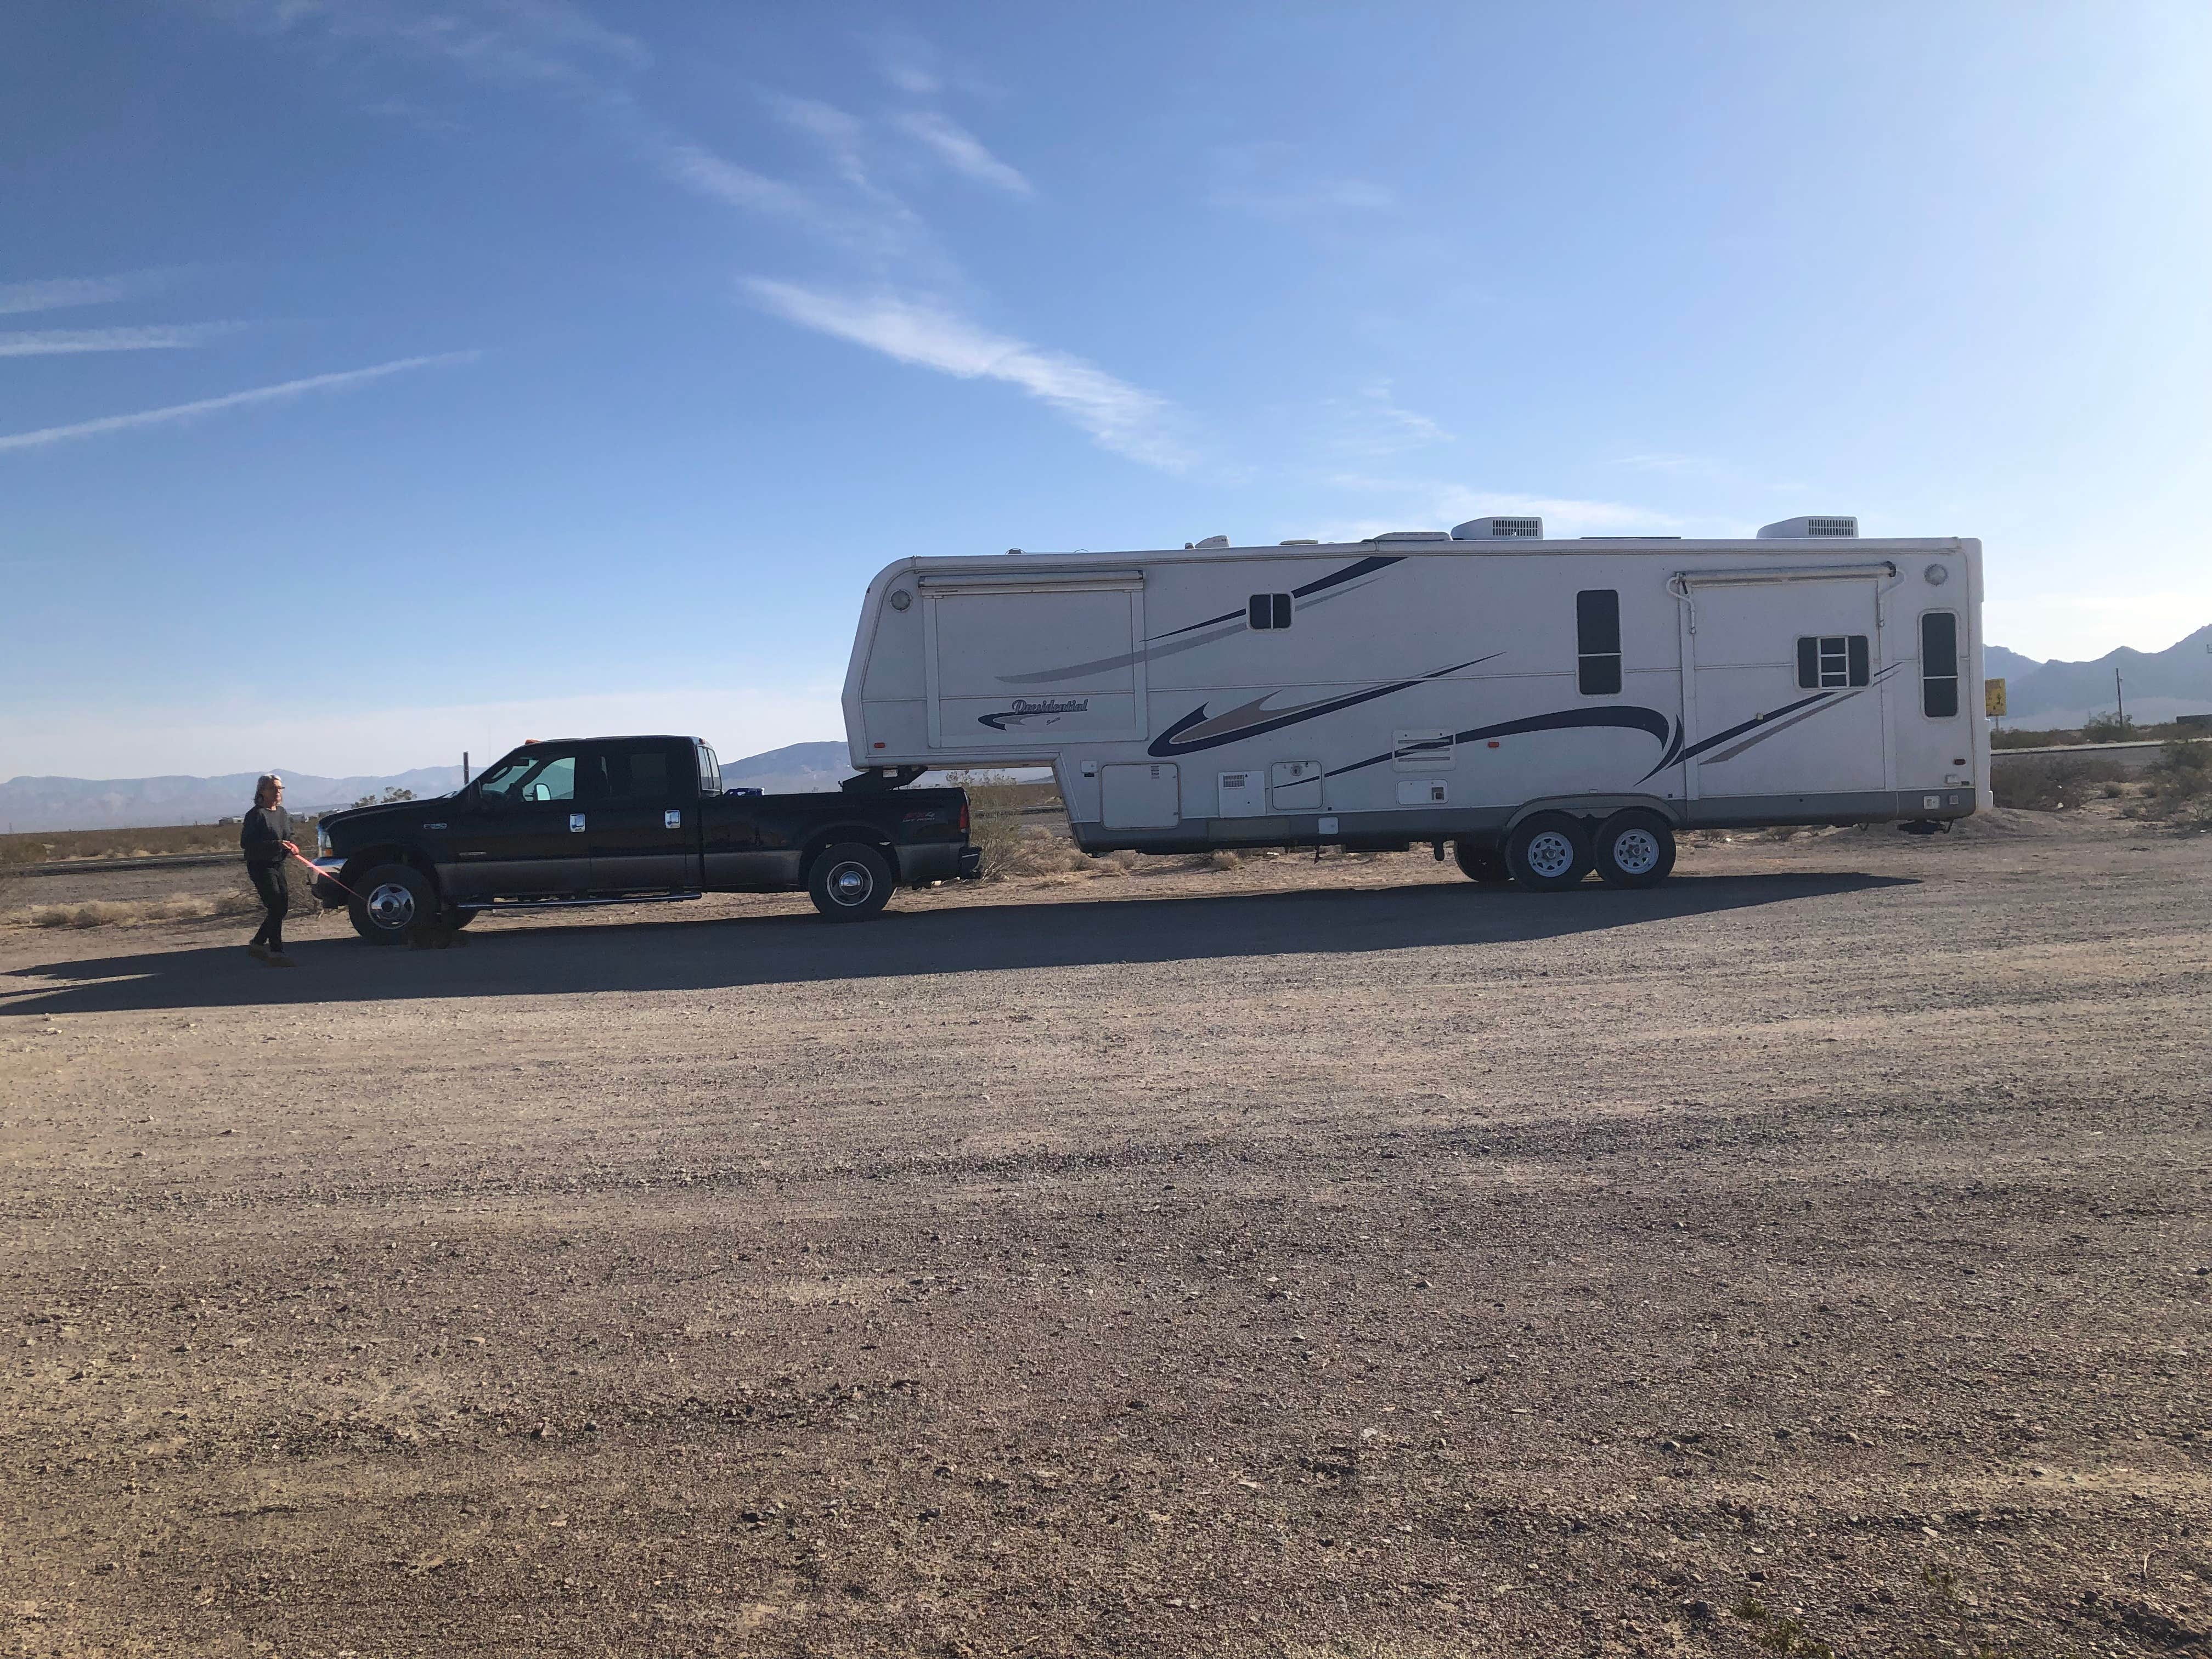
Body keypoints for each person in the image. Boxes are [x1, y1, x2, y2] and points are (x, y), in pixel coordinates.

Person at [240, 774, 298, 967]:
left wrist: (291, 846)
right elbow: (247, 844)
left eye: (280, 788)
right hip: (260, 866)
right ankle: (276, 952)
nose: (278, 792)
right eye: (273, 788)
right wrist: (276, 844)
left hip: (278, 864)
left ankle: (257, 943)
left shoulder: (282, 813)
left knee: (282, 906)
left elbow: (289, 835)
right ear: (262, 791)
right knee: (275, 904)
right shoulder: (255, 815)